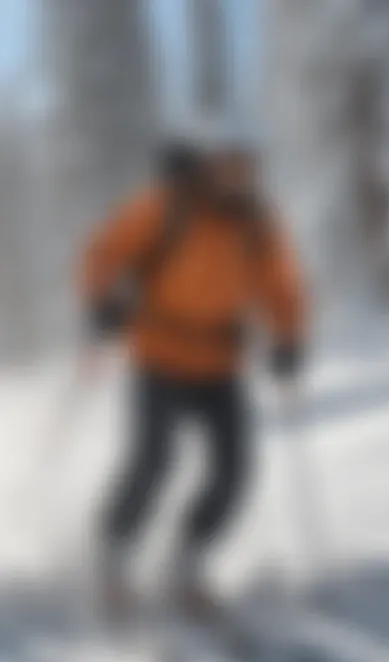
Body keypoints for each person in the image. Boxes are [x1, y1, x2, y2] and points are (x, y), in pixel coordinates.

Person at [78, 140, 307, 619]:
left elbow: (283, 284)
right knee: (154, 460)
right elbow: (104, 250)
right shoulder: (166, 206)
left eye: (248, 167)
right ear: (208, 167)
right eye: (229, 165)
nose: (240, 176)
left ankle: (189, 560)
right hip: (159, 357)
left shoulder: (258, 223)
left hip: (220, 364)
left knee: (235, 471)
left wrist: (288, 339)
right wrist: (103, 303)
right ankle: (113, 554)